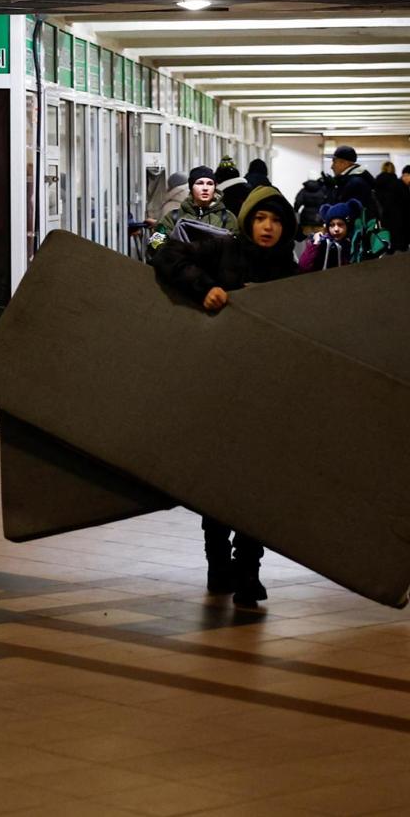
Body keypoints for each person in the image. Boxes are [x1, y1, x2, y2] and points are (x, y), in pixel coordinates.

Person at [153, 186, 298, 607]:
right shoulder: (220, 250)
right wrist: (203, 288)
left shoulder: (288, 271)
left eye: (275, 221)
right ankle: (219, 563)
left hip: (264, 391)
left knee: (255, 485)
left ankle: (248, 570)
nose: (267, 227)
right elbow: (166, 255)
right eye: (259, 219)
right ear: (247, 221)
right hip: (217, 385)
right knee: (217, 481)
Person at [147, 166, 238, 260]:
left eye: (210, 184)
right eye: (199, 183)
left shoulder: (227, 217)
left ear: (215, 187)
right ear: (191, 187)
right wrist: (172, 255)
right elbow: (155, 242)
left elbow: (237, 248)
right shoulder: (173, 216)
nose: (205, 188)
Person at [298, 199, 363, 273]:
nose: (336, 229)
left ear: (348, 225)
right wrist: (315, 244)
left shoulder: (354, 243)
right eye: (331, 225)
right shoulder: (323, 244)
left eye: (340, 224)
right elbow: (303, 267)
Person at [326, 145, 378, 216]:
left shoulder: (356, 183)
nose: (332, 167)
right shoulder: (348, 180)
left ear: (344, 163)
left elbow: (349, 213)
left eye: (334, 162)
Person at [374, 161, 410, 252]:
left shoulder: (378, 183)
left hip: (385, 218)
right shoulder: (399, 184)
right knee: (400, 247)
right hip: (399, 220)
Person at [293, 175, 330, 242]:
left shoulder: (303, 190)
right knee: (320, 240)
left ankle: (308, 252)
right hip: (319, 218)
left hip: (306, 219)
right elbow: (328, 202)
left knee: (307, 240)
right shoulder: (323, 189)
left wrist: (295, 210)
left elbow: (298, 203)